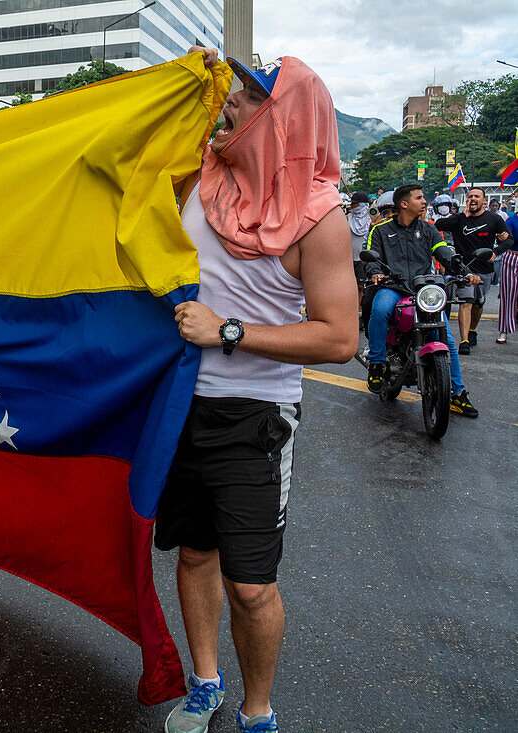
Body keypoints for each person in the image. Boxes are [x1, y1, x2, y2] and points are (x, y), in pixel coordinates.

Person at [161, 48, 357, 733]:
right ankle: (204, 681)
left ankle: (258, 711)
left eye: (247, 96)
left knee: (250, 585)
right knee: (192, 552)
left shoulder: (319, 216)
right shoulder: (198, 178)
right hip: (178, 405)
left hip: (256, 416)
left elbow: (338, 338)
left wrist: (230, 330)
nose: (230, 103)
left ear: (285, 118)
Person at [363, 184, 478, 417]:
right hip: (393, 287)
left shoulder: (429, 229)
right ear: (404, 204)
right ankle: (376, 364)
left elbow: (443, 252)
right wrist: (375, 272)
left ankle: (457, 392)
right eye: (419, 198)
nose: (424, 201)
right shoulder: (380, 231)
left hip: (423, 290)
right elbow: (370, 259)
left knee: (447, 336)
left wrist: (461, 270)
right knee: (380, 308)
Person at [434, 187, 510, 353]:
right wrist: (462, 215)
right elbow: (438, 224)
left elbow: (508, 239)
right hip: (463, 269)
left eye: (477, 196)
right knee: (466, 302)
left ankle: (472, 330)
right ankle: (464, 340)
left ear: (484, 201)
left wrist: (495, 252)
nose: (473, 199)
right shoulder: (459, 219)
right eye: (470, 196)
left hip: (485, 269)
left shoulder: (494, 219)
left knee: (478, 303)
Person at [497, 211, 518, 344]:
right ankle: (504, 330)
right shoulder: (511, 220)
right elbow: (504, 237)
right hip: (511, 257)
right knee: (508, 296)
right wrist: (500, 237)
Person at [348, 191, 371, 306]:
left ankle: (360, 310)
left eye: (355, 203)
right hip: (348, 259)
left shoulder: (372, 220)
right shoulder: (347, 219)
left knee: (361, 286)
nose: (352, 206)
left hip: (363, 259)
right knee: (350, 287)